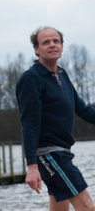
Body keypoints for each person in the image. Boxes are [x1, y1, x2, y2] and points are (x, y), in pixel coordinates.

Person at [16, 26, 95, 211]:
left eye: (56, 41)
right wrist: (32, 166)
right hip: (49, 155)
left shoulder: (61, 74)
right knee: (87, 207)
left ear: (61, 46)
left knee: (59, 209)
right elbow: (29, 123)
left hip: (62, 151)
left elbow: (82, 109)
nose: (52, 45)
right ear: (37, 49)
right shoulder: (31, 79)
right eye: (46, 42)